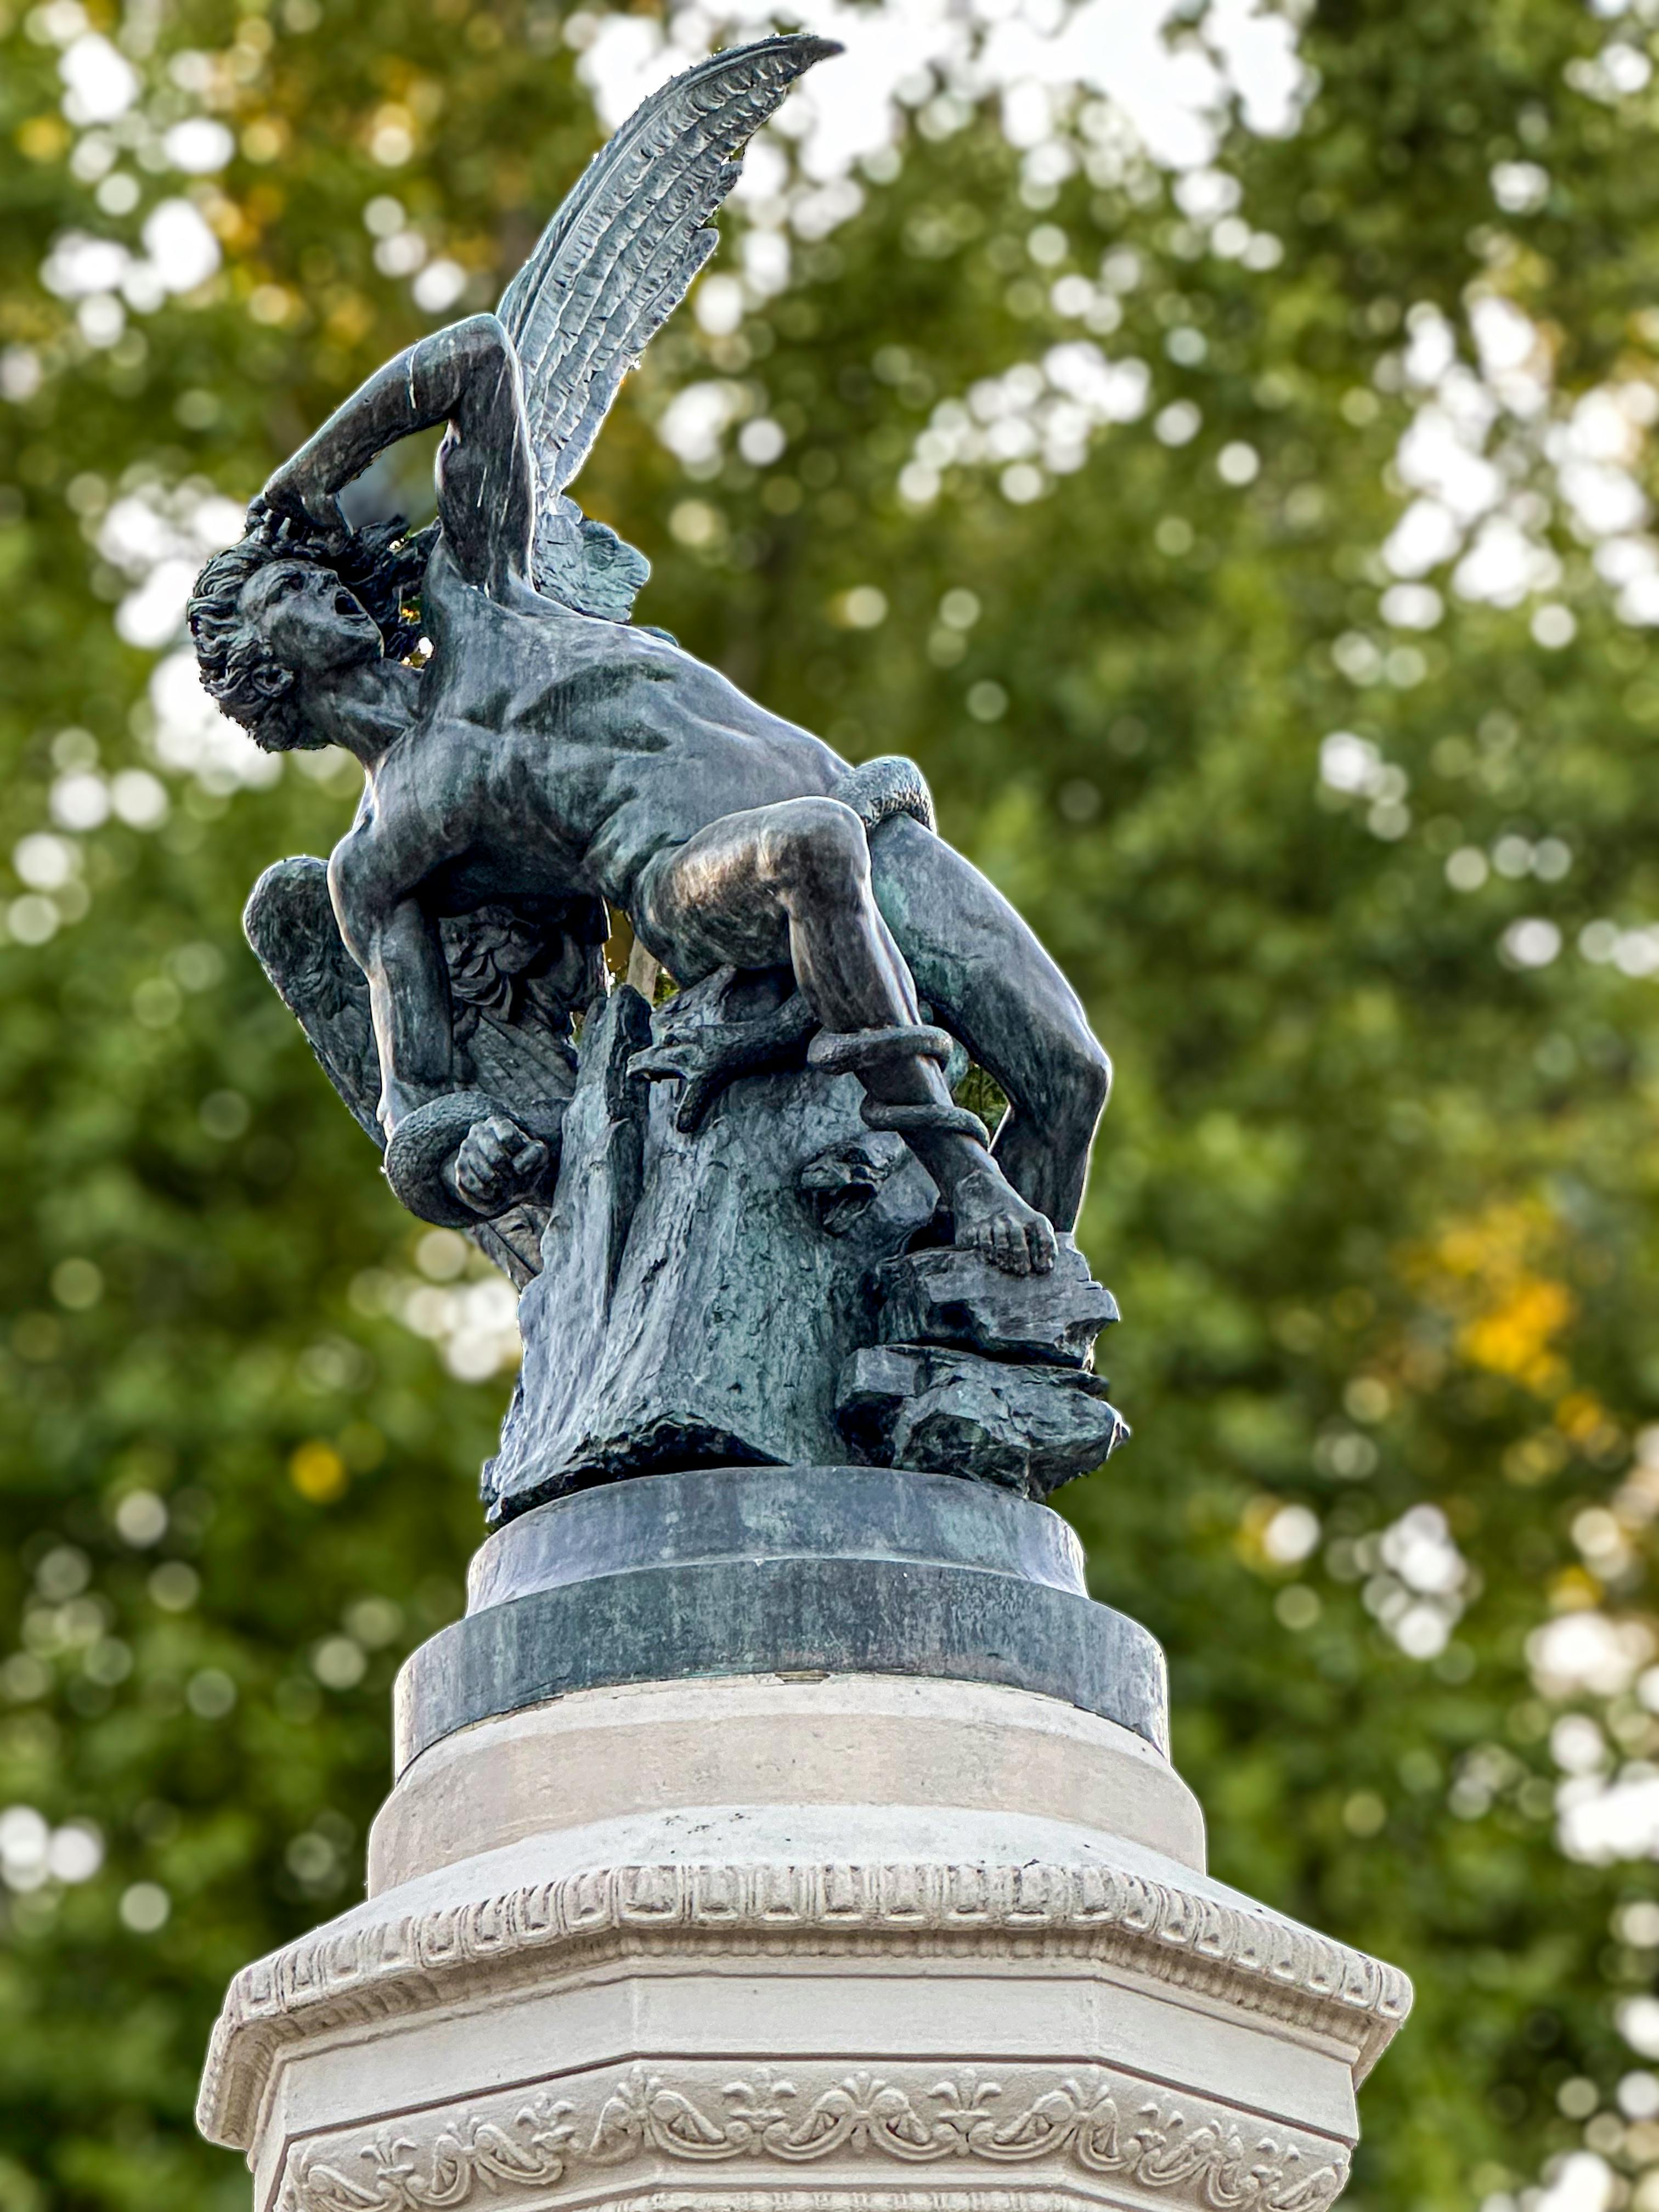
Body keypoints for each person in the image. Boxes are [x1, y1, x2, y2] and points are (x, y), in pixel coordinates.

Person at [189, 313, 1109, 1276]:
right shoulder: (381, 854)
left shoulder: (479, 597)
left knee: (1070, 1078)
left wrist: (306, 475)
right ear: (261, 673)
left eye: (313, 571)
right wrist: (469, 1157)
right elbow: (414, 1098)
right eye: (286, 592)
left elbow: (479, 357)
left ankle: (982, 1327)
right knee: (810, 845)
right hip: (698, 884)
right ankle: (963, 1173)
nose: (325, 589)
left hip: (862, 818)